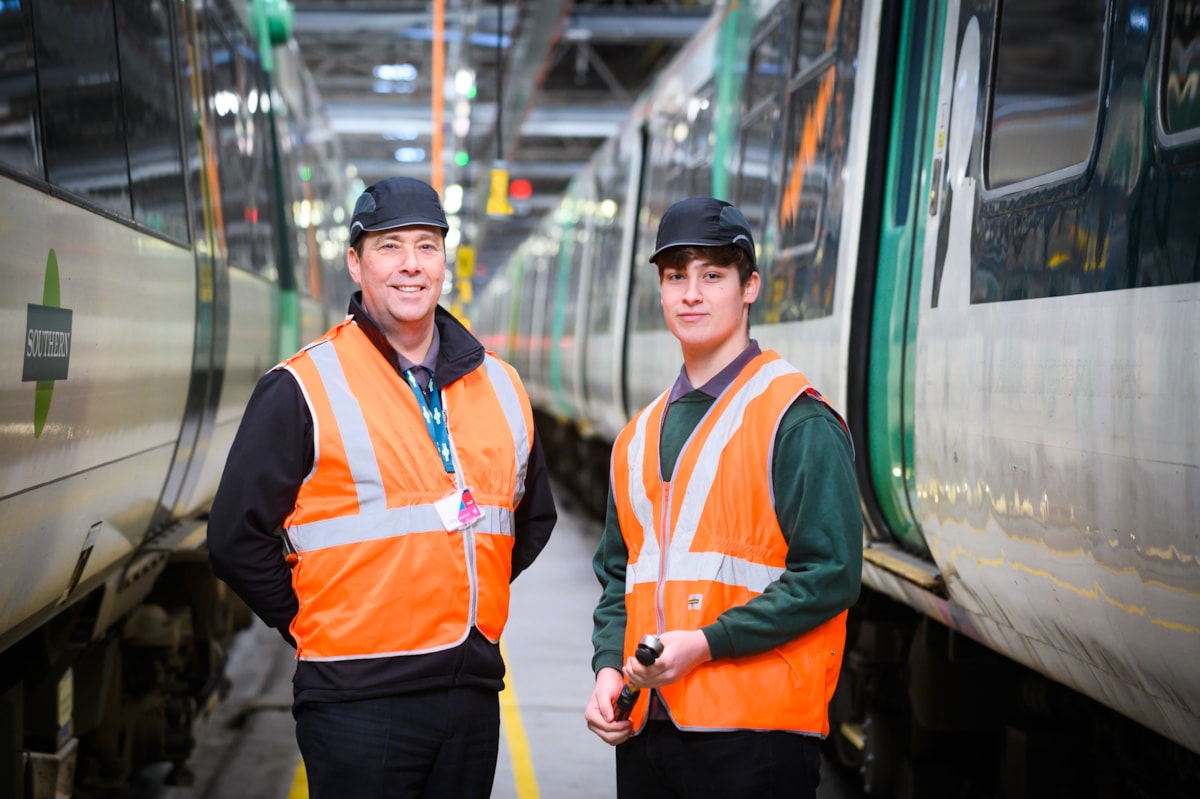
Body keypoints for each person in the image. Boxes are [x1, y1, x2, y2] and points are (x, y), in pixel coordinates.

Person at [208, 176, 556, 799]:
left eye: (426, 246)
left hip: (469, 695)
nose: (410, 266)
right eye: (390, 247)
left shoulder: (501, 386)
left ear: (445, 261)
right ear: (356, 261)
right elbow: (235, 539)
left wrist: (464, 598)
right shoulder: (302, 386)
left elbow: (530, 519)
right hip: (355, 702)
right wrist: (315, 623)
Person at [583, 197, 863, 798]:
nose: (691, 293)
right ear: (659, 291)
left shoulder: (795, 418)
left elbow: (832, 574)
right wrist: (609, 668)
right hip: (647, 730)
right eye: (676, 277)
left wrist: (707, 643)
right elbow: (618, 576)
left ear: (749, 287)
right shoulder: (637, 437)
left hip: (756, 737)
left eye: (712, 276)